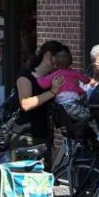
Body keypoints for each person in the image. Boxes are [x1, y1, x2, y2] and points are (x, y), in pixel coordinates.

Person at [37, 47, 99, 146]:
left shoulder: (54, 75)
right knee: (90, 117)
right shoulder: (74, 74)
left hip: (61, 108)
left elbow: (42, 83)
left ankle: (75, 145)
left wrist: (38, 76)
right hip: (72, 105)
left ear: (55, 64)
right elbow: (86, 80)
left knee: (73, 126)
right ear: (70, 62)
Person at [11, 40, 66, 170]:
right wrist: (52, 92)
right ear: (48, 56)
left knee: (42, 185)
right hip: (25, 137)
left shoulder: (51, 79)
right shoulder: (25, 76)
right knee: (23, 184)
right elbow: (25, 103)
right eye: (59, 57)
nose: (61, 62)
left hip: (44, 138)